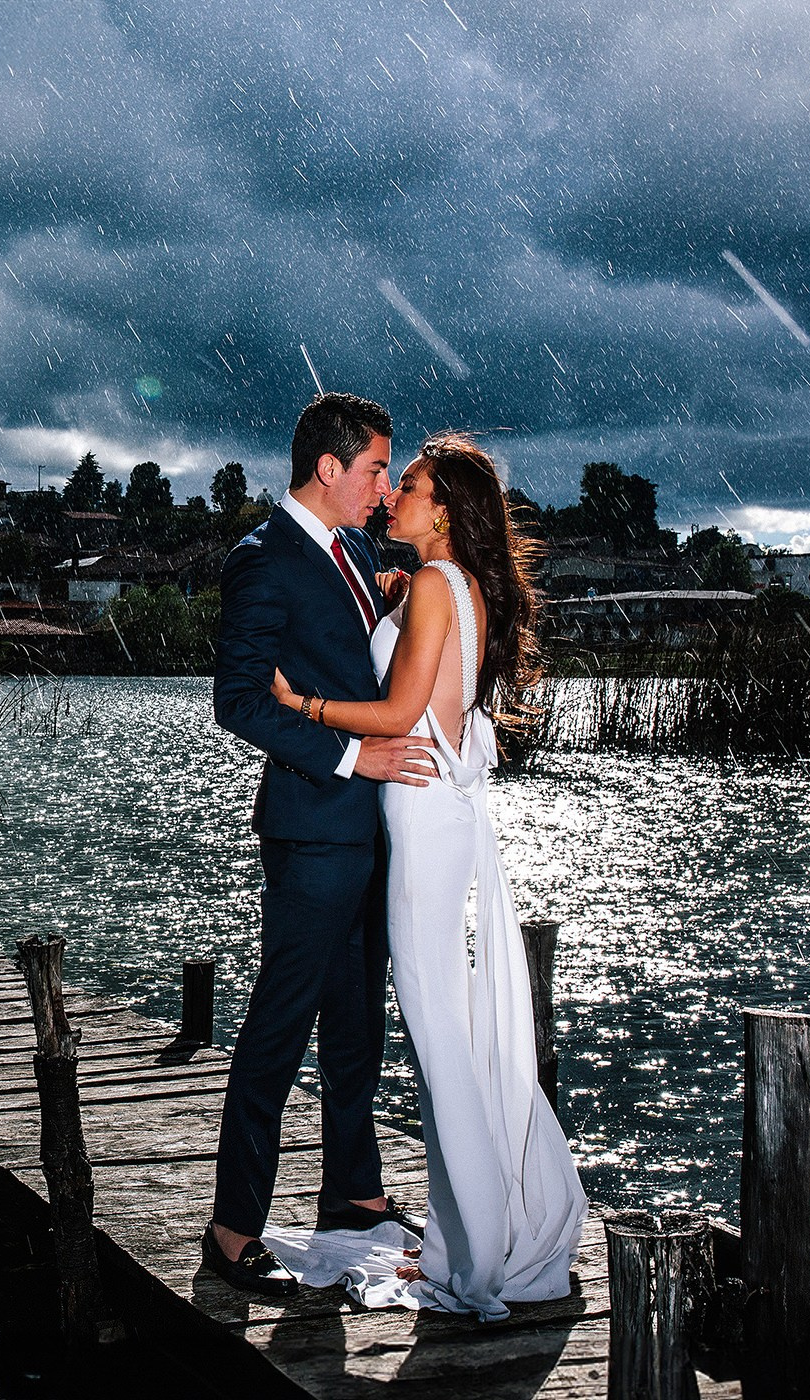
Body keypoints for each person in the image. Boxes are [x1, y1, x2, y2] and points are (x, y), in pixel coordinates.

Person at [272, 432, 587, 1320]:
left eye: (407, 485)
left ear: (443, 509)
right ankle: (470, 1233)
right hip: (435, 820)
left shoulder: (441, 589)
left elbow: (404, 711)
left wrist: (302, 704)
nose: (393, 498)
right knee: (448, 1030)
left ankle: (478, 1254)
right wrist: (393, 597)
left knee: (441, 1037)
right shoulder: (448, 587)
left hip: (421, 823)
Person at [202, 393, 438, 1297]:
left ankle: (353, 1194)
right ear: (330, 468)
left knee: (355, 1024)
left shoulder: (362, 551)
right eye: (377, 469)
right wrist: (350, 751)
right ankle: (231, 1231)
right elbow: (238, 700)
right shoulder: (262, 561)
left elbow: (361, 645)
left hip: (371, 831)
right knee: (279, 1024)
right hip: (311, 826)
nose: (385, 487)